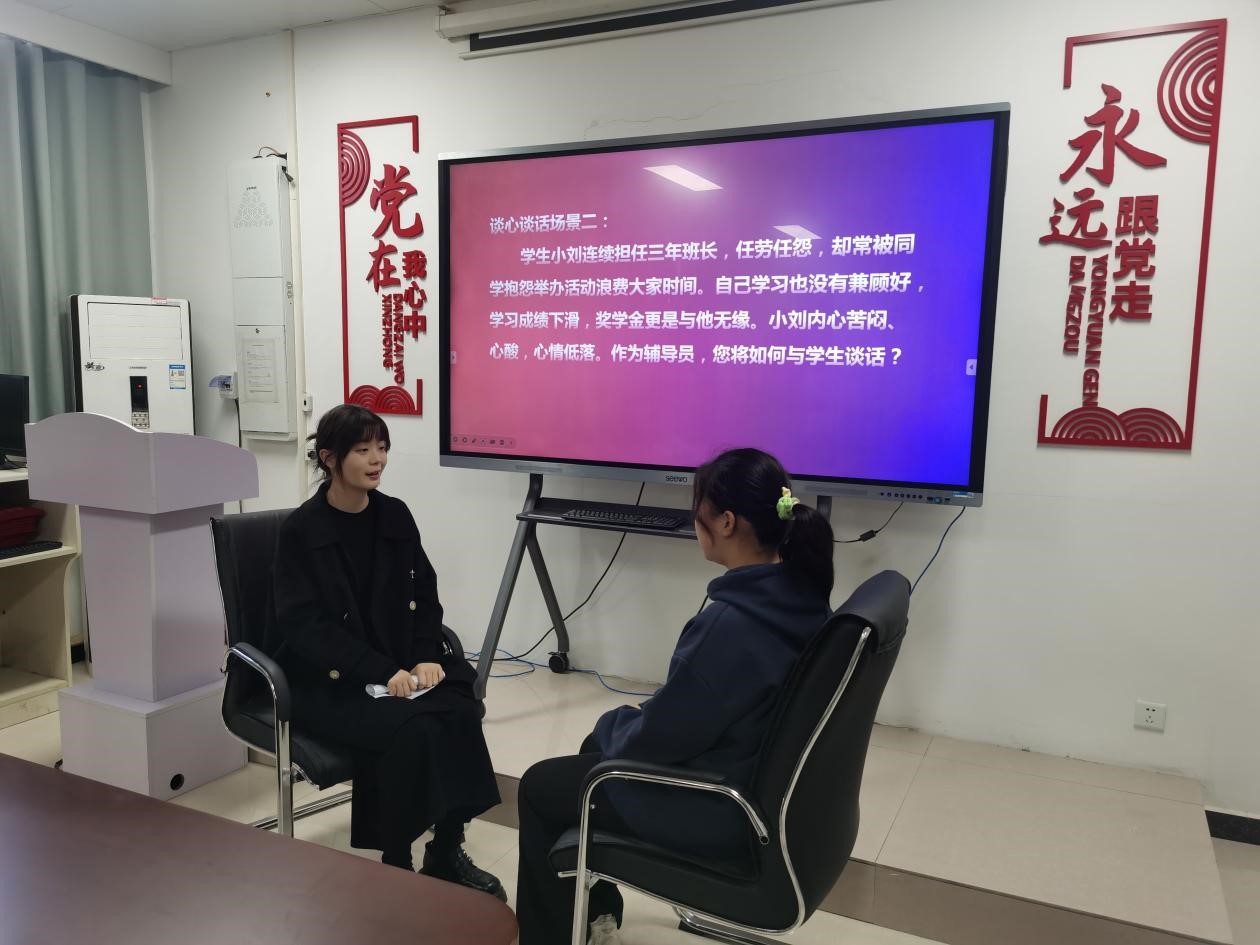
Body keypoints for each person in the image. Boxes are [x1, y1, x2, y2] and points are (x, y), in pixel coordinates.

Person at [514, 447, 835, 944]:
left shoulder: (729, 628)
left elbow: (658, 740)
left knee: (539, 786)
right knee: (594, 753)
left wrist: (614, 723)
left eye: (698, 506)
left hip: (714, 805)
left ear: (725, 521)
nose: (693, 517)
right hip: (754, 786)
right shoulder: (801, 596)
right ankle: (598, 915)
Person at [269, 403, 505, 899]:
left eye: (382, 448)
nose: (377, 459)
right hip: (330, 680)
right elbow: (304, 626)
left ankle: (446, 848)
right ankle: (396, 861)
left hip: (400, 666)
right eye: (363, 450)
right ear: (330, 458)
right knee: (412, 728)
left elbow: (425, 592)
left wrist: (425, 655)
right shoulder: (301, 531)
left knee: (461, 707)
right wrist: (378, 669)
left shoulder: (394, 514)